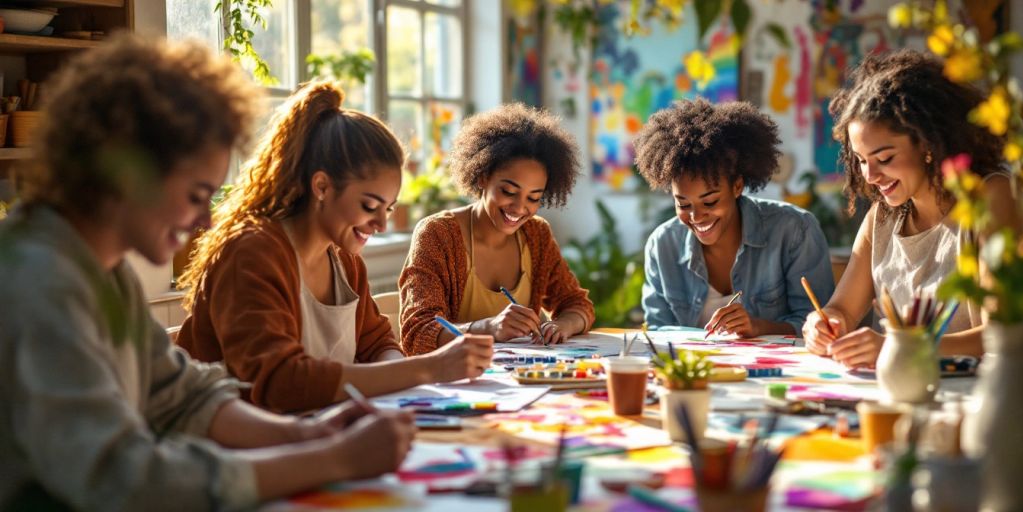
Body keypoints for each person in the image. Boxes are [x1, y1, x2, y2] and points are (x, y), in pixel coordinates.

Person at [0, 35, 413, 510]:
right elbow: (121, 478)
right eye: (198, 194)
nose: (206, 221)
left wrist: (307, 433)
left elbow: (182, 395)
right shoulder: (41, 281)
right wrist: (332, 459)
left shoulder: (101, 270)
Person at [175, 81, 493, 413]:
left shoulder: (342, 257)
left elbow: (376, 343)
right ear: (322, 187)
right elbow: (281, 384)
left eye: (388, 209)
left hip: (311, 434)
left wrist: (404, 380)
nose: (381, 225)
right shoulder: (252, 252)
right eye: (370, 207)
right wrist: (429, 367)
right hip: (241, 450)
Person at [802, 49, 1010, 368]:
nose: (870, 176)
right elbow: (841, 309)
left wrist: (899, 347)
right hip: (898, 393)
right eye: (861, 161)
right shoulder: (883, 216)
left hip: (974, 400)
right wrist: (822, 325)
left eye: (884, 159)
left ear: (927, 145)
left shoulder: (990, 198)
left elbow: (1002, 332)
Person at [399, 104, 595, 355]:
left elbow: (577, 304)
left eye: (533, 198)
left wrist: (562, 325)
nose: (519, 208)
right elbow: (418, 332)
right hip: (453, 384)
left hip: (519, 383)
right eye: (509, 192)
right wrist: (487, 327)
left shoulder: (536, 235)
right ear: (483, 177)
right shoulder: (438, 235)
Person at [635, 98, 834, 336]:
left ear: (737, 186)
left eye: (710, 201)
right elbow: (658, 332)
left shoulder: (794, 231)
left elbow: (819, 325)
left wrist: (758, 327)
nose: (696, 216)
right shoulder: (663, 245)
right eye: (683, 204)